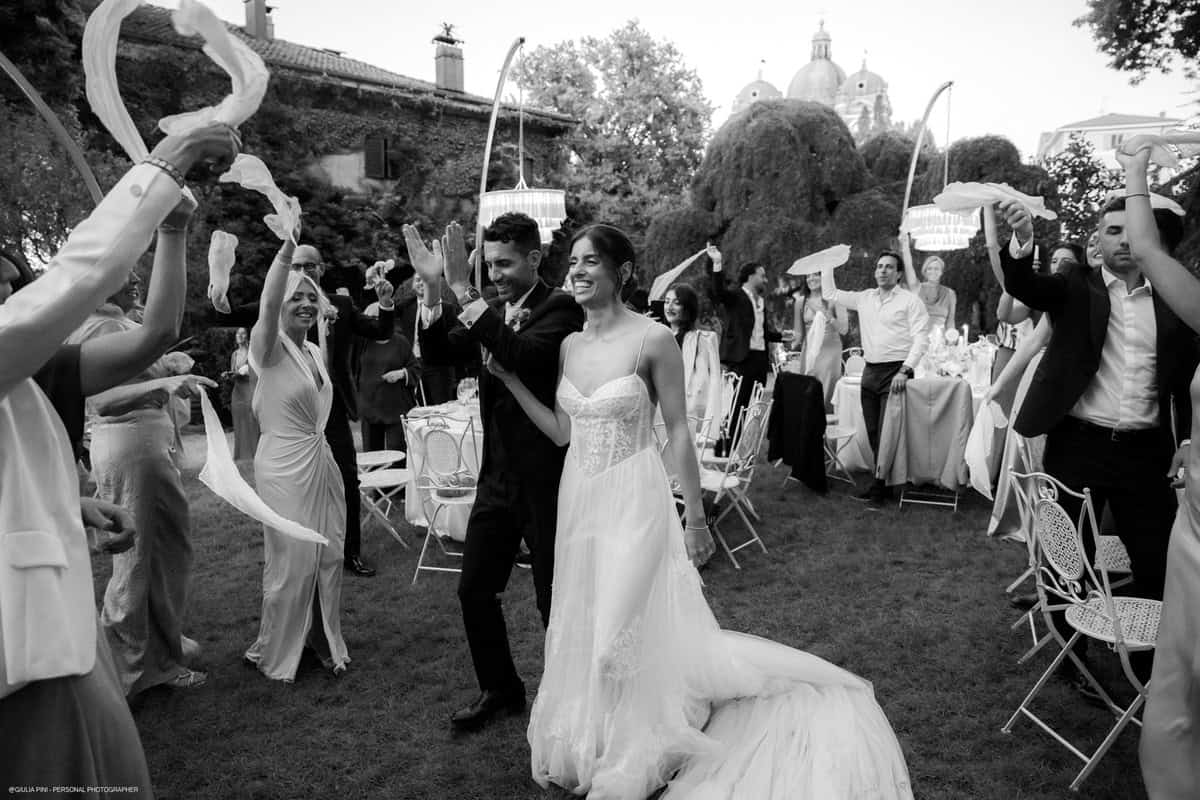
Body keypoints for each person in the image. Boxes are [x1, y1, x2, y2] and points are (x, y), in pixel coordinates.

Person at [490, 223, 913, 800]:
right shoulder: (569, 345)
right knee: (585, 621)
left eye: (590, 261)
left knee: (617, 634)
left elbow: (679, 431)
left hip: (634, 498)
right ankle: (602, 735)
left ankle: (640, 746)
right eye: (574, 263)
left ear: (622, 271)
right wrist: (513, 381)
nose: (578, 272)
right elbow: (564, 432)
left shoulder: (653, 339)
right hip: (579, 500)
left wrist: (694, 517)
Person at [0, 122, 236, 797]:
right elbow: (81, 274)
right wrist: (170, 161)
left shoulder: (25, 370)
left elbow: (153, 335)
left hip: (58, 631)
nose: (9, 300)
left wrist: (173, 232)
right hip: (20, 649)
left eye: (11, 286)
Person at [998, 193, 1197, 695]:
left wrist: (1188, 437)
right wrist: (1023, 240)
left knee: (1156, 559)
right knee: (1067, 558)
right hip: (1078, 444)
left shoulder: (1173, 298)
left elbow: (1187, 378)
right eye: (1112, 231)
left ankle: (1149, 665)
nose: (1124, 240)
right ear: (1097, 239)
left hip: (1146, 452)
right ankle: (1072, 657)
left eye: (1132, 230)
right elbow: (1025, 285)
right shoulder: (1075, 286)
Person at [404, 213, 584, 732]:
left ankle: (572, 701)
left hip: (548, 481)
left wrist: (465, 290)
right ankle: (501, 689)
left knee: (552, 599)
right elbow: (439, 352)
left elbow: (520, 355)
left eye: (505, 264)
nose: (496, 275)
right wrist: (434, 288)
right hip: (497, 478)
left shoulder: (560, 309)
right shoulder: (491, 308)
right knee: (475, 591)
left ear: (534, 258)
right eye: (490, 265)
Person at [65, 214, 213, 696]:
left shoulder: (121, 321)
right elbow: (99, 400)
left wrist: (167, 365)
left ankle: (161, 650)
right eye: (125, 269)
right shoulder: (97, 327)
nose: (135, 277)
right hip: (130, 449)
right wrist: (162, 383)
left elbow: (144, 357)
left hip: (149, 446)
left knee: (166, 553)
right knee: (137, 560)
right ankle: (129, 668)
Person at [1106, 144, 1200, 798]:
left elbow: (1145, 249)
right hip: (1194, 517)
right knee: (1181, 679)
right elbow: (1145, 247)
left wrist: (1138, 173)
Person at [216, 247, 395, 577]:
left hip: (330, 407)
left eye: (309, 265)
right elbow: (238, 314)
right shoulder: (278, 304)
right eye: (296, 265)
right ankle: (302, 553)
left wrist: (385, 304)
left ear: (321, 268)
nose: (302, 270)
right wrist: (221, 297)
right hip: (293, 414)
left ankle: (349, 552)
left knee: (345, 479)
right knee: (300, 488)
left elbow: (380, 331)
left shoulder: (340, 306)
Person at [243, 239, 350, 682]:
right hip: (284, 466)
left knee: (329, 552)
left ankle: (322, 635)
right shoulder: (268, 348)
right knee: (293, 561)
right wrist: (286, 251)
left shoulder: (313, 351)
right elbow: (267, 306)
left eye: (311, 296)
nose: (305, 303)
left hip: (319, 460)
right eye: (295, 297)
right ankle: (278, 645)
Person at [823, 249, 929, 507]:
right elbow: (831, 294)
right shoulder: (864, 298)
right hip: (869, 371)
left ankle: (880, 488)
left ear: (899, 274)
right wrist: (827, 264)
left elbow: (921, 338)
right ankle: (884, 482)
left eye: (889, 267)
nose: (883, 270)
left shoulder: (910, 301)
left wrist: (905, 370)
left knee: (888, 432)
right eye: (880, 266)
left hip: (896, 372)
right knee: (872, 430)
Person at [706, 245, 783, 445]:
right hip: (741, 360)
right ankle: (726, 447)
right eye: (762, 275)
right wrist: (717, 262)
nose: (765, 279)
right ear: (750, 276)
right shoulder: (735, 296)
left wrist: (782, 337)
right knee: (737, 405)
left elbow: (762, 332)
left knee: (754, 406)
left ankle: (746, 446)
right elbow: (718, 292)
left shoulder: (761, 302)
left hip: (760, 361)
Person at [661, 283, 723, 441]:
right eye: (667, 301)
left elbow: (705, 380)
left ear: (688, 308)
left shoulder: (698, 340)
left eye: (676, 303)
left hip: (684, 412)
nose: (669, 307)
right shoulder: (661, 337)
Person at [355, 303, 420, 451]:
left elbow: (416, 368)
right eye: (372, 319)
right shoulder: (362, 342)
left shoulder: (400, 341)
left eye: (379, 318)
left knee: (397, 453)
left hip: (396, 408)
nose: (377, 322)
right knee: (372, 456)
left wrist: (401, 373)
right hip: (369, 408)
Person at [790, 271, 848, 409]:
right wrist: (785, 342)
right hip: (809, 351)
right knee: (809, 391)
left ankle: (828, 419)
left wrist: (828, 315)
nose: (811, 278)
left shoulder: (836, 299)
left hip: (830, 352)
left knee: (826, 392)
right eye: (808, 275)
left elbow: (844, 330)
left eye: (815, 274)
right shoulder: (800, 302)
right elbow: (798, 334)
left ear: (824, 276)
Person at [901, 244, 956, 336]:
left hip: (939, 340)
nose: (933, 271)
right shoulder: (917, 288)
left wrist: (951, 339)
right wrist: (905, 247)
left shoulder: (950, 294)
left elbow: (950, 321)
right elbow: (908, 266)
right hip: (919, 339)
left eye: (936, 269)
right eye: (929, 269)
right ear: (925, 271)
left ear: (941, 272)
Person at [227, 326, 259, 461]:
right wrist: (228, 375)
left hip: (249, 389)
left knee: (251, 421)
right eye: (237, 334)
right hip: (237, 391)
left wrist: (246, 372)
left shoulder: (252, 352)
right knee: (238, 421)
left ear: (247, 336)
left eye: (243, 333)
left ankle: (254, 453)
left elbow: (257, 372)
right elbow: (233, 373)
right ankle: (240, 454)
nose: (239, 336)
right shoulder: (234, 354)